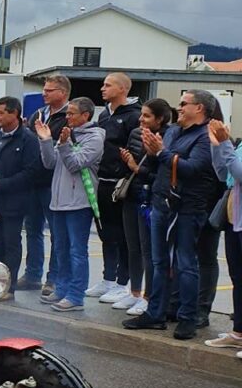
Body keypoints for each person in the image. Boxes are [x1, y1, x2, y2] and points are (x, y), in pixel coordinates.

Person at [123, 90, 219, 340]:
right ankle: (156, 313)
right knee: (159, 262)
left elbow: (193, 168)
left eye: (184, 104)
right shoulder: (174, 131)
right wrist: (151, 152)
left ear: (199, 108)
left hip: (187, 208)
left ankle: (187, 317)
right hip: (161, 201)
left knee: (185, 264)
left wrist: (162, 152)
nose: (179, 108)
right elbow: (160, 164)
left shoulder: (205, 136)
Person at [37, 97, 105, 312]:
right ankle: (62, 288)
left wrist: (64, 145)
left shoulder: (95, 137)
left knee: (77, 250)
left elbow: (76, 164)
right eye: (67, 114)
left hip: (78, 203)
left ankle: (76, 295)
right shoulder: (67, 134)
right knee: (61, 249)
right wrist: (46, 140)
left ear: (86, 115)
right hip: (58, 201)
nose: (67, 117)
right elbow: (49, 163)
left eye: (72, 113)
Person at [0, 97, 41, 296]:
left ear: (14, 114)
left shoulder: (27, 139)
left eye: (1, 112)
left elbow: (30, 173)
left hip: (14, 200)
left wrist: (0, 184)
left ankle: (7, 287)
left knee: (11, 242)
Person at [87, 72, 143, 304]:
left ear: (123, 89)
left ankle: (123, 283)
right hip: (103, 181)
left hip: (122, 185)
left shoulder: (134, 117)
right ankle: (108, 279)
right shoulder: (104, 114)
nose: (103, 88)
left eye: (108, 85)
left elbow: (136, 151)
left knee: (124, 237)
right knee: (106, 233)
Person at [114, 98, 174, 315]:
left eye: (147, 116)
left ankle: (149, 296)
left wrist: (136, 167)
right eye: (142, 115)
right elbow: (131, 165)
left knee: (149, 250)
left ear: (160, 119)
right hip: (133, 193)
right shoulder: (135, 134)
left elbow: (159, 172)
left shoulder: (168, 137)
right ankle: (135, 292)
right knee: (133, 247)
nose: (141, 119)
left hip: (150, 197)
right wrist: (129, 164)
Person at [24, 75, 70, 295]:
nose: (44, 93)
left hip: (54, 182)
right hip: (33, 180)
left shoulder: (69, 117)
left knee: (57, 233)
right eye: (44, 89)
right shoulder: (38, 114)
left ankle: (53, 278)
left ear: (63, 93)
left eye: (50, 90)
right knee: (32, 229)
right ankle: (33, 275)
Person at [206, 118, 242, 357]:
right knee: (238, 277)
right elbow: (224, 174)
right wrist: (217, 145)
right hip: (234, 219)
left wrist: (225, 143)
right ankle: (238, 333)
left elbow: (240, 172)